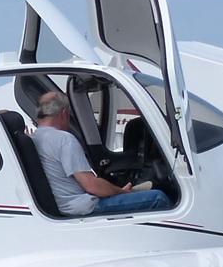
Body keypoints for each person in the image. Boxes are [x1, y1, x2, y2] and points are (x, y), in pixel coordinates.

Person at [32, 91, 169, 216]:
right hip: (81, 207)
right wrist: (122, 192)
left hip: (64, 206)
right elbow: (91, 185)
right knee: (158, 197)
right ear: (64, 113)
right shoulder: (63, 139)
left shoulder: (35, 138)